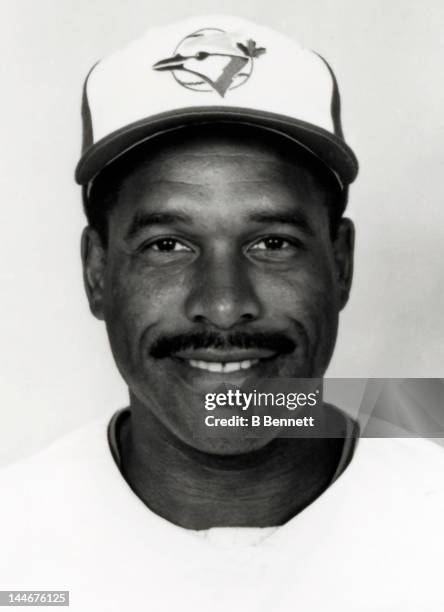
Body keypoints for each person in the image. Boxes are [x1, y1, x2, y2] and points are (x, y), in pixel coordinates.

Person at [0, 16, 443, 612]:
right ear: (97, 273)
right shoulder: (15, 543)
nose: (225, 304)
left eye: (273, 242)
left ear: (340, 265)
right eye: (167, 245)